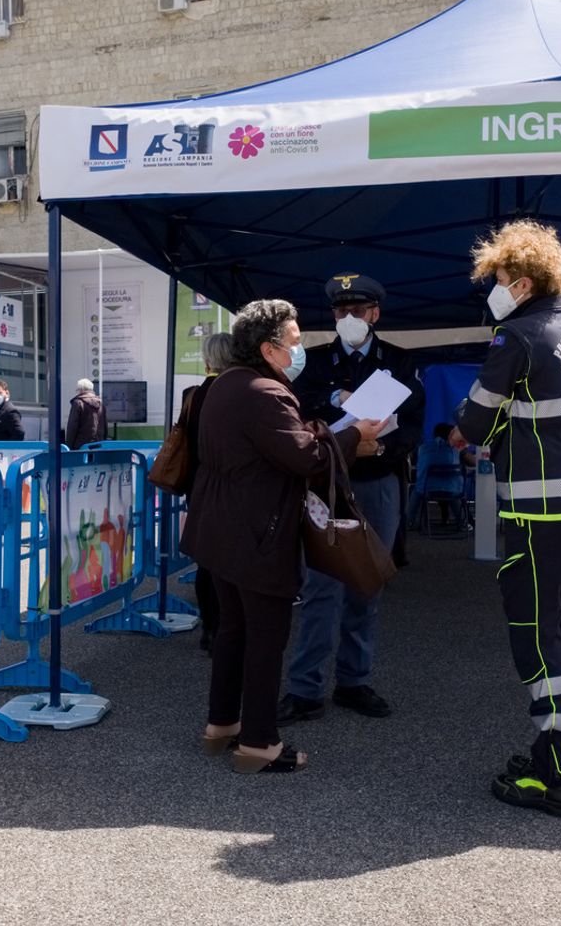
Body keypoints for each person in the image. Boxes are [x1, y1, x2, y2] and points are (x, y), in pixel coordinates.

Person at [450, 220, 561, 819]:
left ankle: (555, 774)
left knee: (535, 634)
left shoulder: (515, 336)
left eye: (494, 279)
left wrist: (461, 430)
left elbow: (475, 421)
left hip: (541, 506)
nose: (490, 289)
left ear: (519, 281)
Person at [182, 299, 383, 774]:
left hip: (221, 529)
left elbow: (273, 445)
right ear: (270, 349)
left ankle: (222, 725)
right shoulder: (264, 393)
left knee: (234, 630)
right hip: (255, 532)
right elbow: (306, 459)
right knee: (266, 637)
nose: (300, 349)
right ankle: (259, 743)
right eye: (294, 341)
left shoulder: (226, 384)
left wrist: (327, 433)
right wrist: (355, 436)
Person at [278, 272, 425, 727]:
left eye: (357, 311)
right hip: (326, 482)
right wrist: (337, 395)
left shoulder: (399, 362)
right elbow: (295, 405)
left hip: (378, 480)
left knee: (367, 583)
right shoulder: (314, 363)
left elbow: (415, 422)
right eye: (341, 312)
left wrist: (378, 447)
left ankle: (354, 680)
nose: (349, 318)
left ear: (375, 314)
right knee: (322, 586)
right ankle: (305, 689)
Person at [180, 331, 236, 653]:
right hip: (228, 486)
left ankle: (210, 628)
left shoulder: (192, 395)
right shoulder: (237, 393)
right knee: (228, 559)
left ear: (207, 359)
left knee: (205, 560)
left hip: (196, 486)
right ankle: (226, 627)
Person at [65, 378, 106, 449]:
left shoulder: (78, 403)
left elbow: (72, 427)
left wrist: (69, 447)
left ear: (81, 390)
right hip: (98, 445)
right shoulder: (101, 403)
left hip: (81, 447)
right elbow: (105, 426)